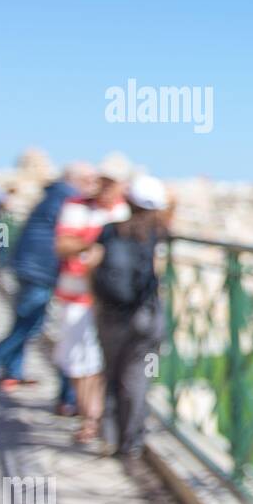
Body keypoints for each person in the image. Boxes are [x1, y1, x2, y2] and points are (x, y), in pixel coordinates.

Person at [0, 163, 98, 397]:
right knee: (29, 324)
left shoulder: (54, 194)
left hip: (27, 264)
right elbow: (72, 234)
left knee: (25, 320)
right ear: (76, 180)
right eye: (88, 180)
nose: (92, 185)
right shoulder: (70, 198)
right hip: (40, 268)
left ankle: (13, 373)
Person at [91, 174, 173, 458]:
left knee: (110, 373)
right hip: (145, 315)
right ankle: (132, 441)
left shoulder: (110, 230)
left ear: (127, 201)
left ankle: (109, 436)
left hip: (112, 314)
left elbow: (94, 264)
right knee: (137, 376)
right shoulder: (157, 231)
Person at [53, 154, 132, 443]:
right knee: (78, 362)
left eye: (113, 182)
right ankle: (91, 416)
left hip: (111, 300)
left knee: (101, 362)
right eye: (104, 180)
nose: (106, 187)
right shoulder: (77, 207)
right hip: (77, 296)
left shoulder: (126, 212)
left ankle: (96, 418)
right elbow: (63, 245)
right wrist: (99, 242)